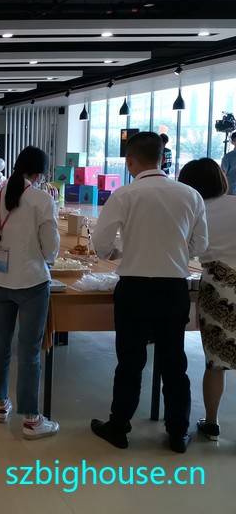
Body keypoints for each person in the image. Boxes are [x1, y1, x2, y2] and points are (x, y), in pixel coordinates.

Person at [91, 132, 208, 453]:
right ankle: (178, 433)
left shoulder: (125, 194)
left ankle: (119, 428)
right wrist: (175, 251)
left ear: (130, 161)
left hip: (135, 287)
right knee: (174, 362)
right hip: (174, 287)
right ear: (162, 158)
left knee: (130, 361)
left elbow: (101, 243)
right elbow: (200, 244)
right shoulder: (190, 195)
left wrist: (118, 253)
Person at [0, 146, 61, 439]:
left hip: (0, 281)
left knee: (1, 344)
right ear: (39, 173)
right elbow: (51, 245)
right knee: (29, 351)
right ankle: (31, 419)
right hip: (32, 283)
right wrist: (44, 260)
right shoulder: (42, 199)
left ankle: (1, 404)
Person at [178, 158, 236, 442]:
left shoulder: (195, 210)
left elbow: (186, 250)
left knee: (216, 361)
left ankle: (211, 424)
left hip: (218, 286)